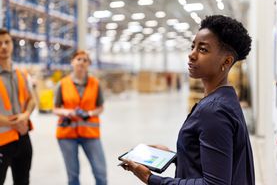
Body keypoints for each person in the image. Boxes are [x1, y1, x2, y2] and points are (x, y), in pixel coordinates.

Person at [121, 15, 255, 185]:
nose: (191, 55)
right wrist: (178, 156)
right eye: (193, 47)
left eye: (203, 49)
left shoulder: (214, 110)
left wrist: (151, 178)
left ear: (226, 61)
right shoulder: (226, 97)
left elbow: (215, 184)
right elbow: (215, 162)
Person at [53, 50, 107, 185]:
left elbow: (100, 107)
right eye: (78, 59)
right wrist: (67, 112)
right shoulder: (63, 84)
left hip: (90, 134)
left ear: (88, 64)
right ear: (72, 62)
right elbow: (55, 108)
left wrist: (89, 114)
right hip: (67, 135)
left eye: (85, 60)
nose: (82, 62)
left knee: (100, 173)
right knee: (73, 176)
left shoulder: (95, 83)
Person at [0, 28, 36, 185]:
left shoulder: (22, 73)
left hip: (23, 138)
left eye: (7, 42)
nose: (3, 46)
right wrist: (12, 123)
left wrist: (25, 115)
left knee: (23, 181)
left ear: (12, 44)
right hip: (1, 141)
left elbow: (32, 100)